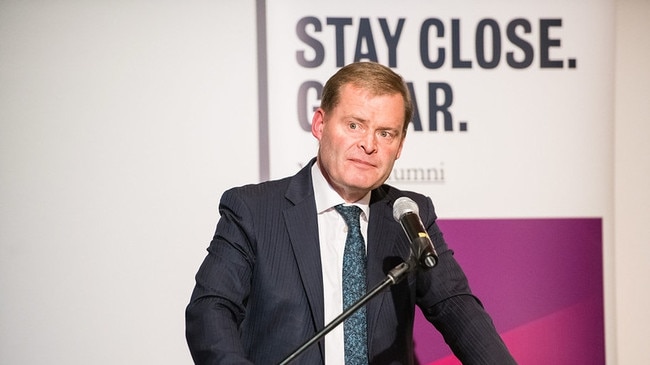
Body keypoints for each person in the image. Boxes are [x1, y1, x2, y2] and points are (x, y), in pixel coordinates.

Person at [186, 62, 516, 364]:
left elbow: (456, 307)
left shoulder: (409, 216)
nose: (369, 145)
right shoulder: (254, 210)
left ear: (399, 146)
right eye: (355, 125)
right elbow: (211, 309)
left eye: (386, 133)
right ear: (320, 124)